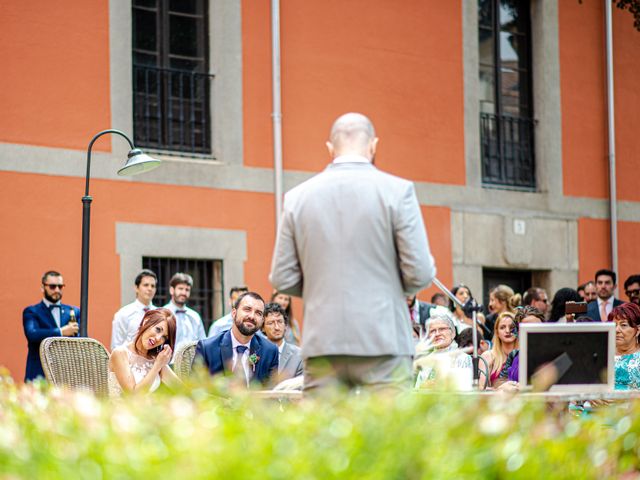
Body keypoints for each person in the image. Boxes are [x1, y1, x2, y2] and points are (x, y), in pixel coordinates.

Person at [270, 112, 436, 393]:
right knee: (388, 433)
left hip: (322, 340)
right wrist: (389, 288)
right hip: (383, 338)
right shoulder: (398, 191)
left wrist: (321, 289)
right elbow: (419, 272)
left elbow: (282, 277)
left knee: (326, 434)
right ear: (373, 145)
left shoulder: (297, 197)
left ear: (330, 149)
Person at [195, 292, 279, 387]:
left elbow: (272, 393)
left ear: (262, 320)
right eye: (247, 309)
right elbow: (196, 390)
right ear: (234, 313)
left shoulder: (270, 351)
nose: (252, 316)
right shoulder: (207, 348)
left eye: (258, 313)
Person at [23, 270, 81, 382]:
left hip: (67, 376)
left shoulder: (74, 311)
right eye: (52, 286)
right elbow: (32, 334)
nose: (57, 290)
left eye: (60, 286)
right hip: (38, 373)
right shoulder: (32, 311)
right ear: (43, 287)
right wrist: (60, 332)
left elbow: (82, 338)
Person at [108, 308, 180, 396]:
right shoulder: (120, 353)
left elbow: (182, 390)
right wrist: (157, 366)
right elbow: (133, 396)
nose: (158, 338)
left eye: (164, 337)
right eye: (158, 329)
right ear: (146, 322)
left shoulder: (156, 359)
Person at [414, 313, 472, 390]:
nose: (437, 334)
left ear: (453, 333)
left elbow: (465, 389)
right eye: (432, 331)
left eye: (442, 329)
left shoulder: (463, 358)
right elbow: (417, 390)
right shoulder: (425, 361)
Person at [111, 269, 157, 350]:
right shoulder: (123, 314)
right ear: (136, 288)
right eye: (146, 285)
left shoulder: (159, 314)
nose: (150, 289)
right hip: (128, 361)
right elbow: (116, 346)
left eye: (153, 286)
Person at [499, 306, 545, 384]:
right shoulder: (514, 355)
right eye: (528, 329)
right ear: (517, 332)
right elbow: (501, 382)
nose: (533, 333)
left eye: (537, 328)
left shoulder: (552, 355)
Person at [163, 273, 205, 355]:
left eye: (187, 290)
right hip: (168, 363)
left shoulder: (195, 316)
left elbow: (202, 343)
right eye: (180, 288)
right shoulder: (162, 313)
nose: (184, 292)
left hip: (191, 365)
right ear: (172, 290)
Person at [262, 302, 303, 382]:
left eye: (280, 322)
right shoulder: (256, 353)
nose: (277, 327)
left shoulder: (299, 356)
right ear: (262, 327)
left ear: (286, 325)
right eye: (271, 323)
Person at [479, 312, 517, 389]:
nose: (507, 330)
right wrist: (500, 389)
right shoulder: (487, 356)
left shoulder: (525, 355)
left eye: (512, 327)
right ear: (497, 332)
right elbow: (480, 388)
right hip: (495, 400)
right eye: (502, 327)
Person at [610, 303, 640, 390]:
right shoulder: (603, 353)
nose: (617, 330)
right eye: (614, 325)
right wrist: (595, 398)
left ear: (637, 330)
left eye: (623, 325)